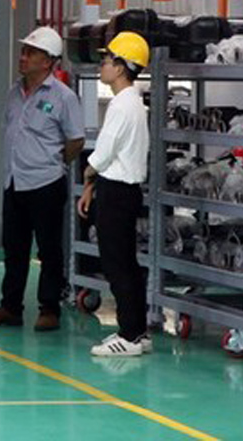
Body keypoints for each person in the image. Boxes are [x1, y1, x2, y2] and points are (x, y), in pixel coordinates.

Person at [0, 26, 84, 332]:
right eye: (24, 52)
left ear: (48, 61)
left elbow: (75, 140)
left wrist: (52, 161)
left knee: (49, 250)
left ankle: (49, 308)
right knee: (15, 249)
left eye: (31, 53)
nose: (23, 57)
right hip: (15, 183)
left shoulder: (63, 97)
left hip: (46, 184)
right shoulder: (14, 92)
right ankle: (10, 307)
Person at [77, 31, 152, 357]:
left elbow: (104, 153)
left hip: (117, 193)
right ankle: (137, 331)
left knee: (117, 264)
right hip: (121, 189)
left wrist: (88, 171)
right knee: (127, 264)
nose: (102, 67)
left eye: (106, 61)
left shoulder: (122, 106)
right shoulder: (133, 103)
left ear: (122, 67)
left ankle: (130, 334)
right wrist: (93, 184)